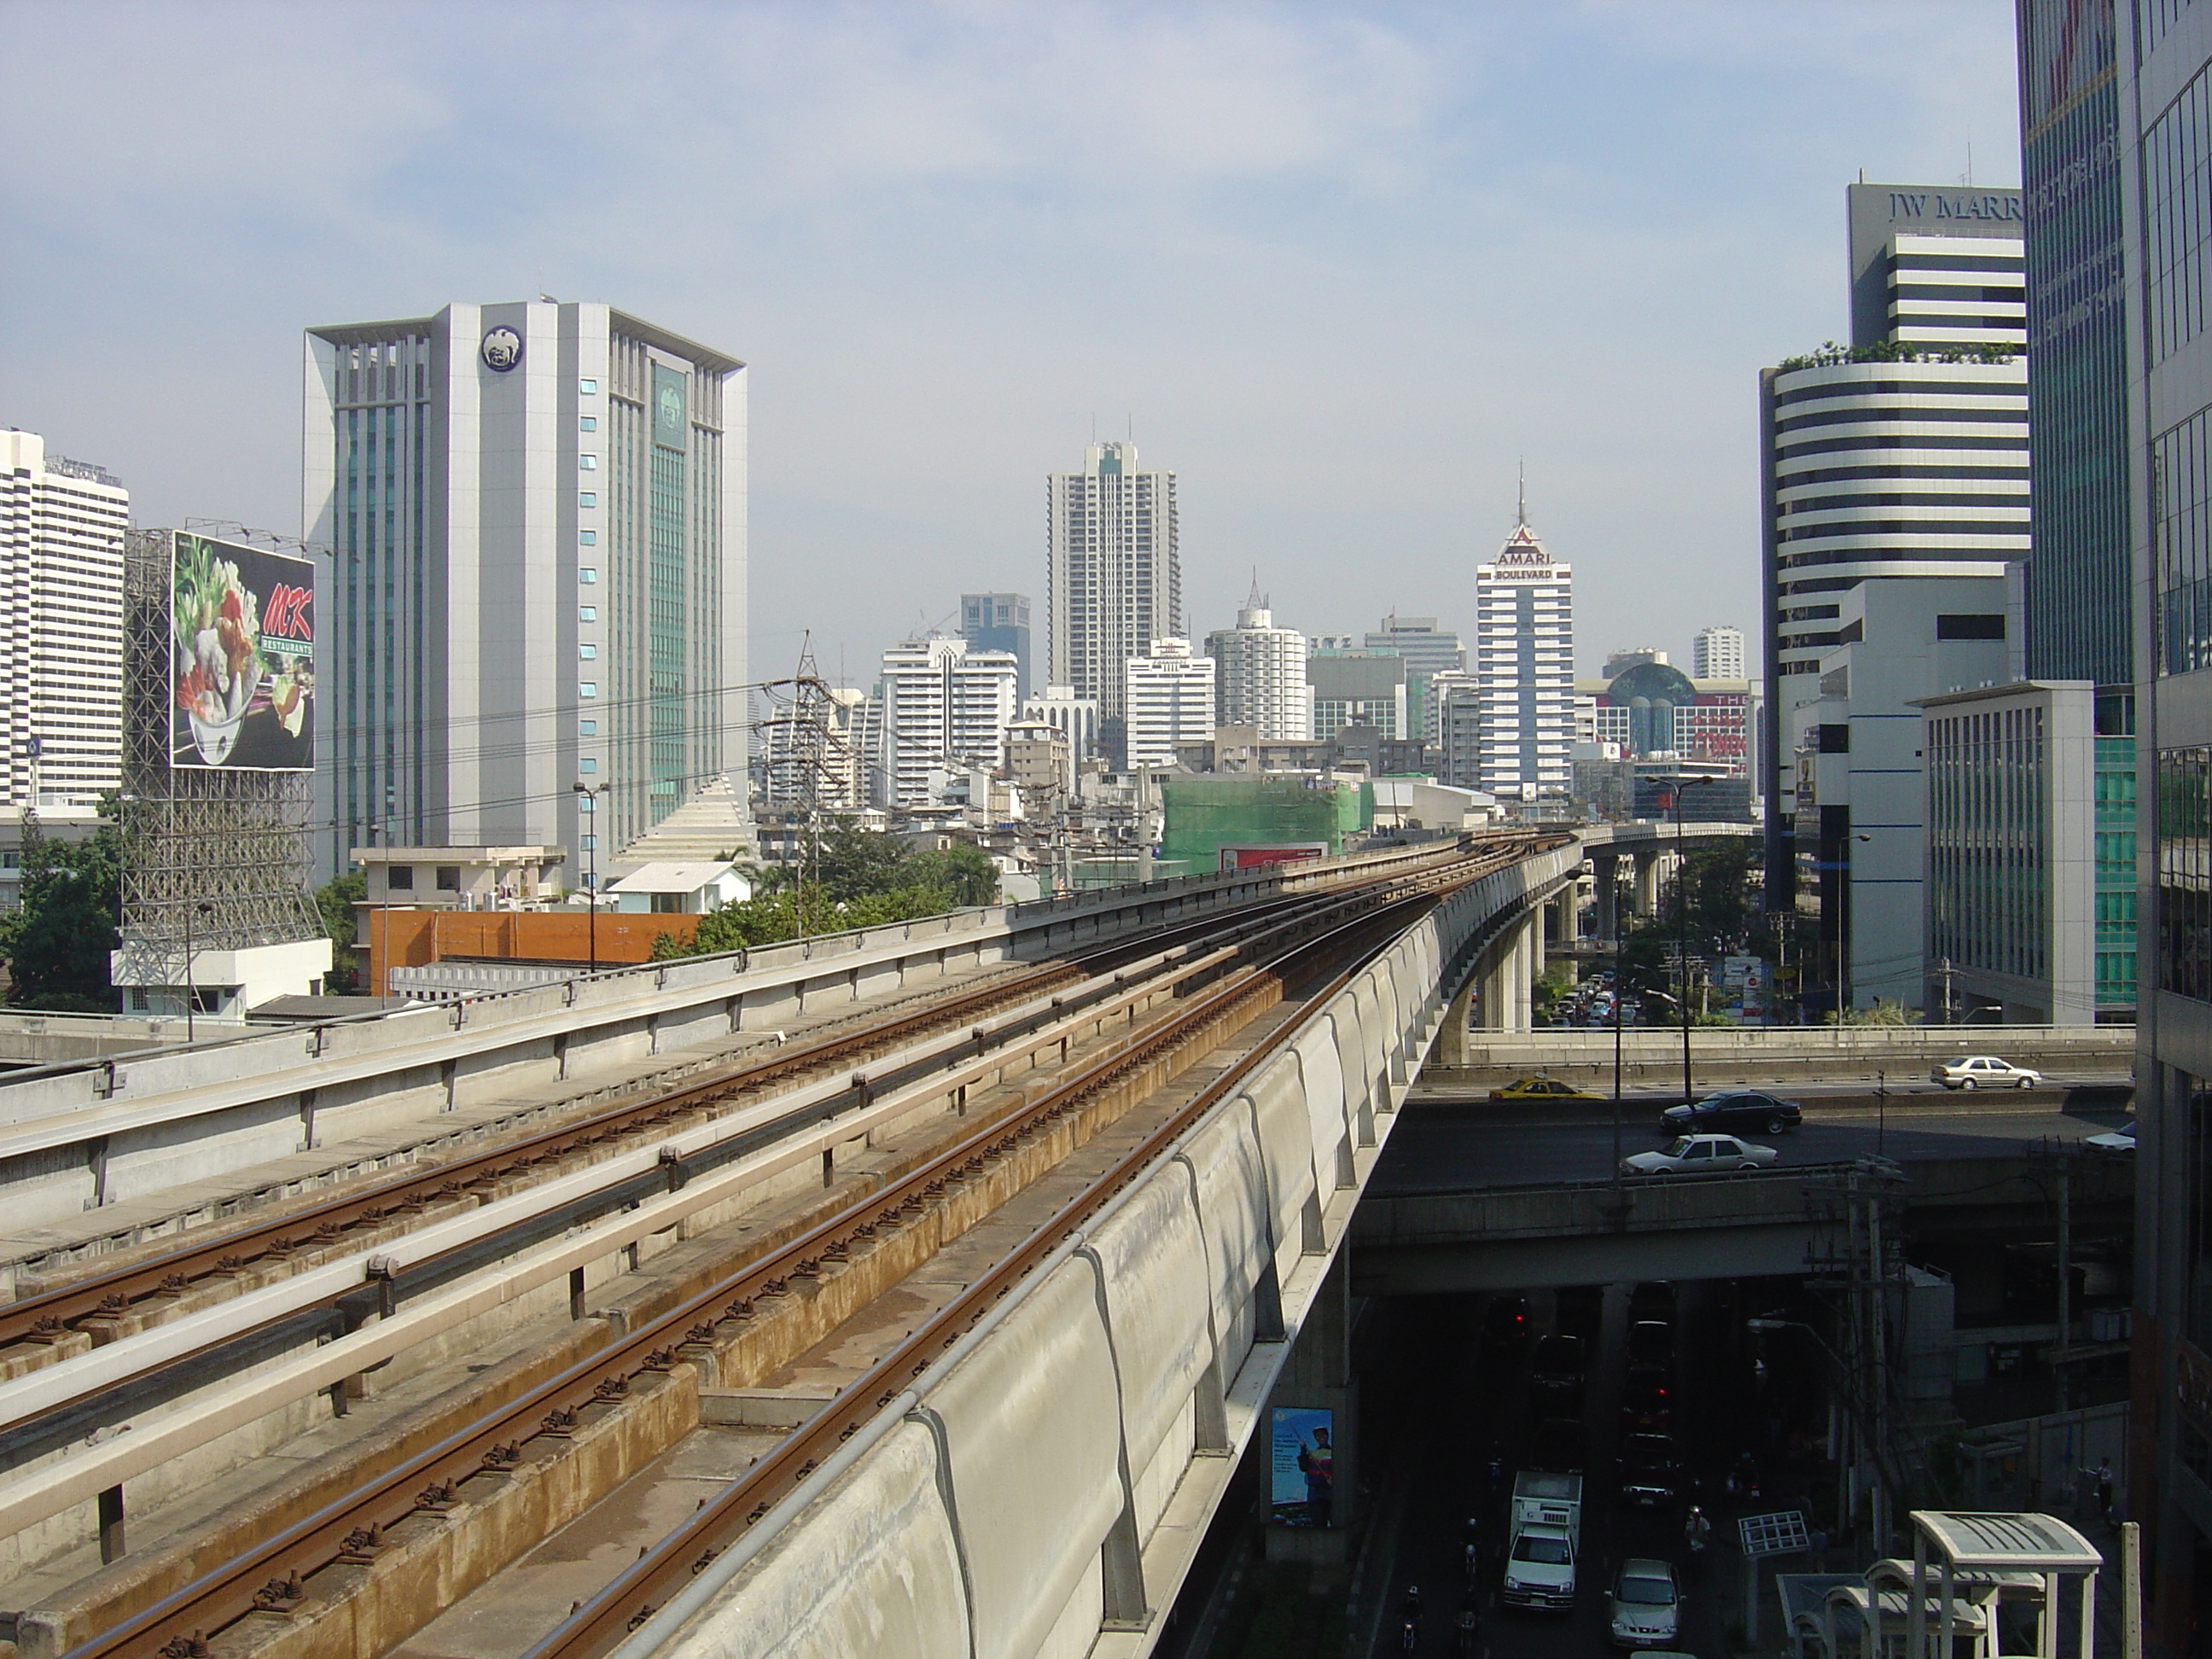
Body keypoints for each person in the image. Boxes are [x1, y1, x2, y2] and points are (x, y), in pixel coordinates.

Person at [1295, 1426, 1334, 1527]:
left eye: (1323, 1435)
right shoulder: (1312, 1453)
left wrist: (1334, 1480)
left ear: (1327, 1436)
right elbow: (1303, 1467)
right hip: (1314, 1493)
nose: (1320, 1437)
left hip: (1329, 1492)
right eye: (1318, 1435)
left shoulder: (1335, 1453)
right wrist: (1303, 1449)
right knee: (1317, 1522)